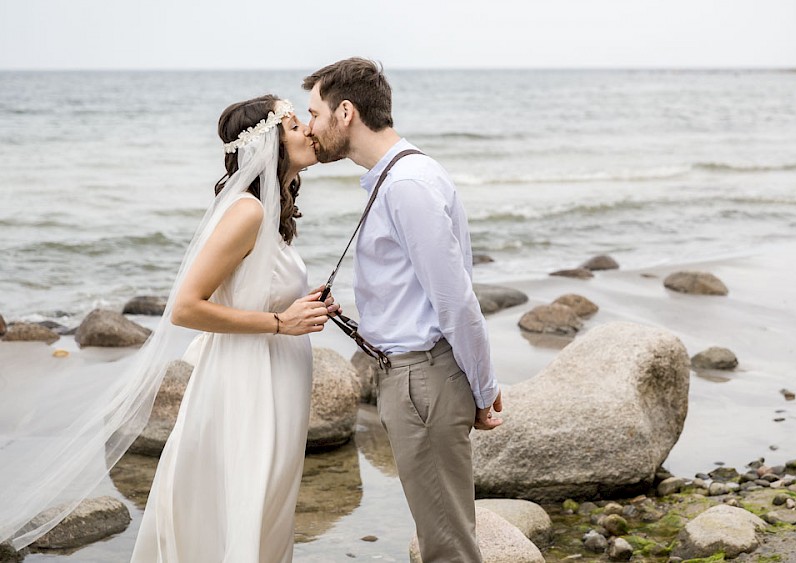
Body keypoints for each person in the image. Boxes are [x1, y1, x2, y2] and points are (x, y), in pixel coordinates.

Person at [0, 95, 336, 563]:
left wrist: (298, 307)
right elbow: (184, 308)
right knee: (248, 502)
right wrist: (281, 322)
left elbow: (244, 293)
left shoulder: (267, 210)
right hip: (248, 384)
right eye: (295, 124)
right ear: (269, 145)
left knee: (263, 503)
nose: (308, 131)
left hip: (273, 377)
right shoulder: (248, 212)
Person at [302, 58, 503, 563]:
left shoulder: (406, 185)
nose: (309, 127)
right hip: (416, 377)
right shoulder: (400, 176)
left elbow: (456, 301)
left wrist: (484, 389)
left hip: (423, 380)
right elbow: (419, 290)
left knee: (447, 546)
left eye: (314, 113)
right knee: (444, 535)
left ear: (345, 112)